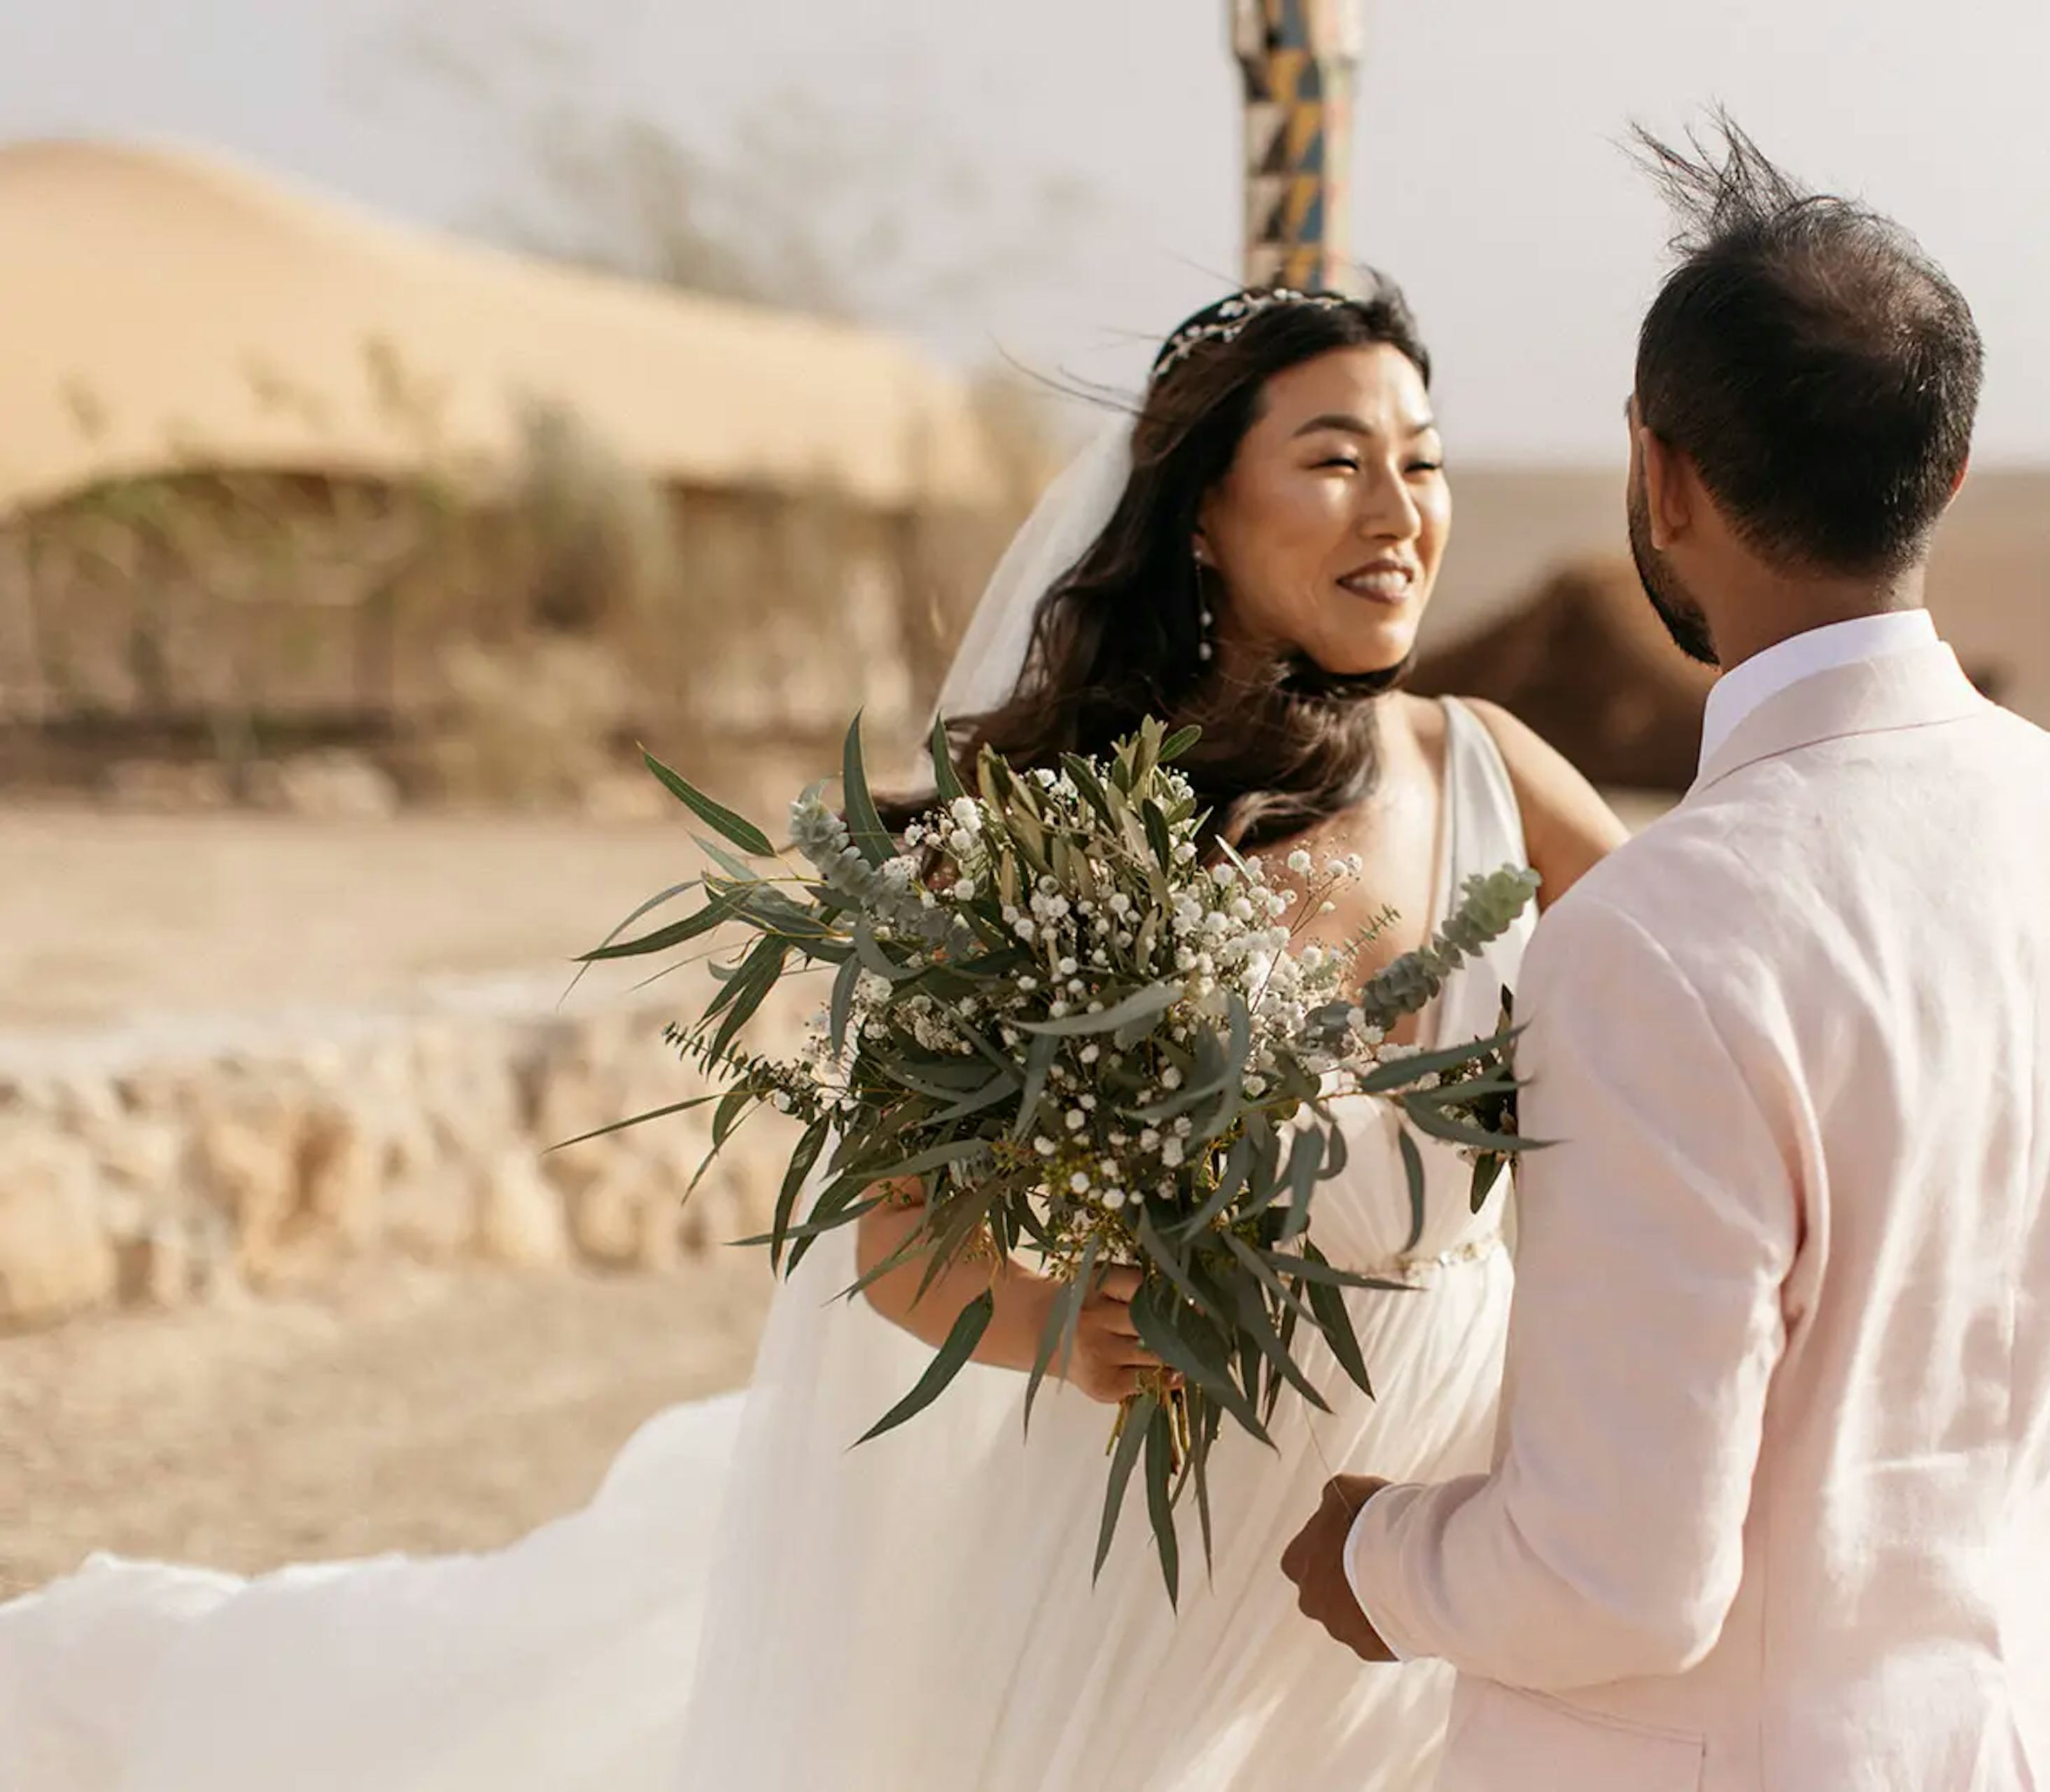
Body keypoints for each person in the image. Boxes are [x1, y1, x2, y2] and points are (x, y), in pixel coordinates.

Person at [0, 281, 1627, 1792]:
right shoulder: (1060, 835)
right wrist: (1066, 1325)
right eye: (1335, 459)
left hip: (1440, 1518)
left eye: (1422, 461)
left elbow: (1729, 1006)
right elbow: (896, 1237)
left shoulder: (1493, 773)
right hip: (1166, 1536)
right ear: (1202, 510)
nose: (1400, 509)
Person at [1283, 121, 2050, 1792]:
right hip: (2040, 1740)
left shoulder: (1666, 937)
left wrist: (1371, 1562)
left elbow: (1618, 1582)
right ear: (1944, 474)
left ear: (1657, 475)